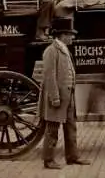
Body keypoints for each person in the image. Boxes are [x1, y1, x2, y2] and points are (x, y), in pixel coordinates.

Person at [38, 17, 91, 169]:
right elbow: (50, 76)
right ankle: (48, 160)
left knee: (71, 127)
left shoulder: (63, 49)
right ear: (62, 35)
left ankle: (72, 156)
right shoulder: (51, 51)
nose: (72, 37)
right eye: (70, 34)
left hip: (68, 96)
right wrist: (54, 97)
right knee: (52, 129)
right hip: (58, 97)